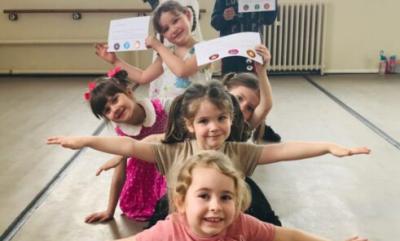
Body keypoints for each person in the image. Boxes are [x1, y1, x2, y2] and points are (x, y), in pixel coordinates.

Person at [47, 82, 370, 221]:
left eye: (221, 119)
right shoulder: (172, 151)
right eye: (204, 121)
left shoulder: (239, 152)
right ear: (189, 125)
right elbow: (129, 146)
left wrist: (328, 147)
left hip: (224, 217)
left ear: (231, 119)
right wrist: (87, 141)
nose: (213, 128)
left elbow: (283, 150)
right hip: (182, 218)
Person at [118, 150, 368, 241]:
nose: (216, 206)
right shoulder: (169, 232)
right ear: (182, 202)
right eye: (204, 196)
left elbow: (288, 235)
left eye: (226, 197)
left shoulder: (241, 224)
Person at [82, 68, 169, 223]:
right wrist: (110, 210)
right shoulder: (123, 131)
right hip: (146, 173)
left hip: (169, 161)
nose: (114, 109)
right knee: (137, 203)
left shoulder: (161, 108)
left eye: (115, 100)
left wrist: (128, 150)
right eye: (107, 110)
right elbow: (119, 170)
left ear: (129, 93)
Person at [95, 0, 211, 99]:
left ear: (187, 15)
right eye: (166, 29)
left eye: (175, 21)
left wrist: (158, 46)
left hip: (195, 113)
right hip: (170, 111)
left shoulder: (205, 49)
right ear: (163, 36)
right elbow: (142, 77)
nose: (173, 29)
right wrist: (115, 61)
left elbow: (182, 70)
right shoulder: (167, 53)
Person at [211, 0, 281, 142]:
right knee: (230, 88)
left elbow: (269, 19)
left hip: (252, 49)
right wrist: (224, 17)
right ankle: (227, 122)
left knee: (255, 89)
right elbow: (215, 22)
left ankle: (260, 125)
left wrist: (272, 3)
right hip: (230, 49)